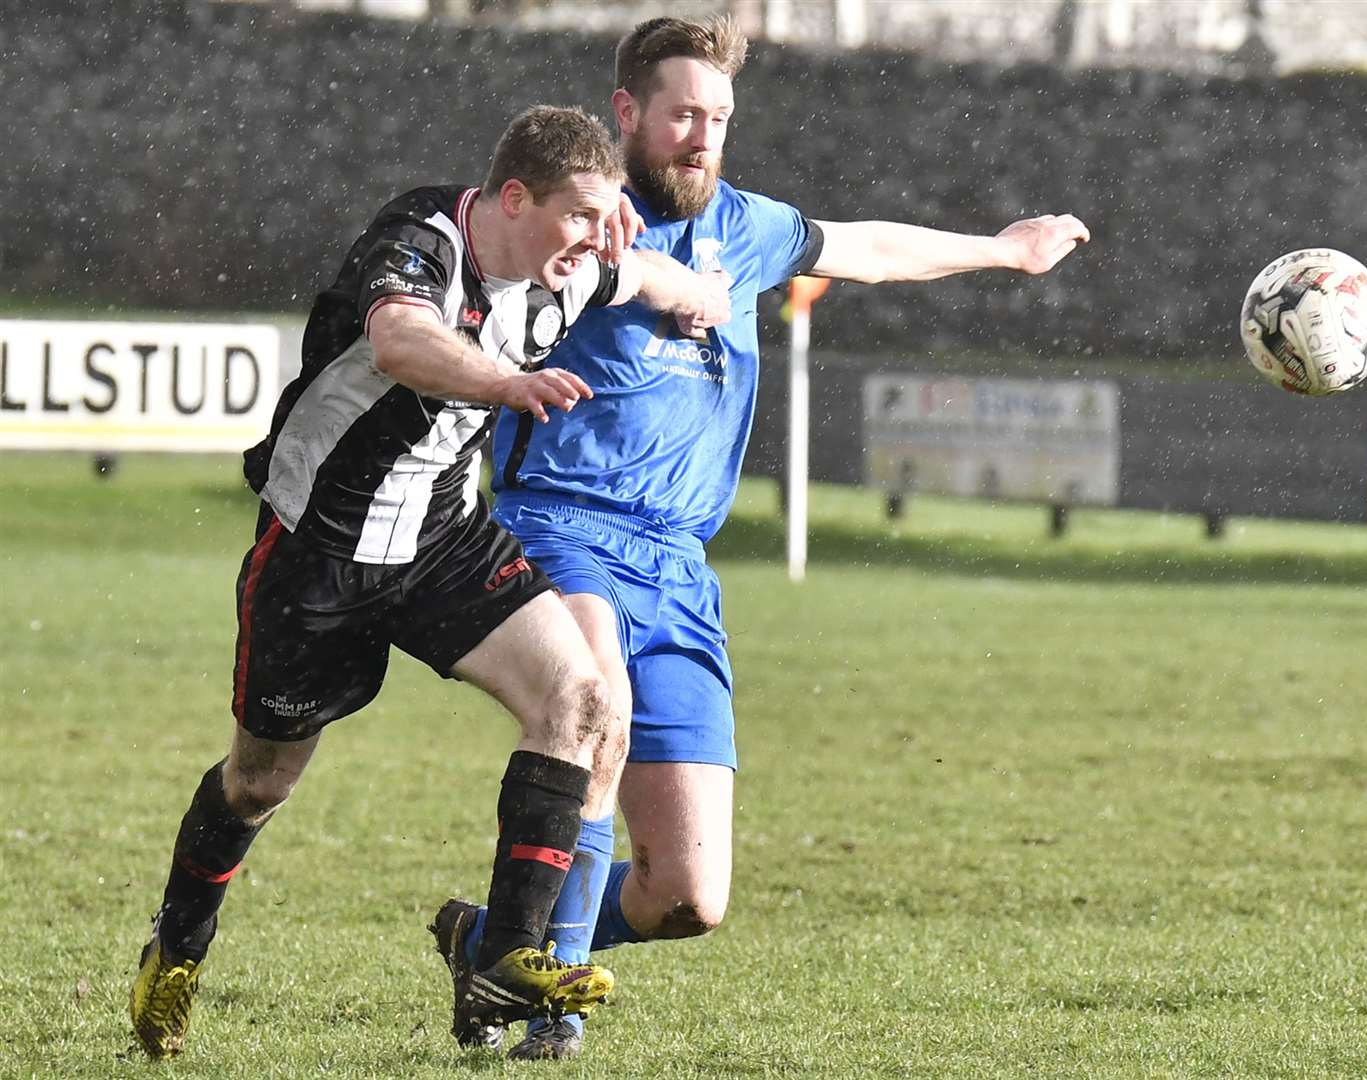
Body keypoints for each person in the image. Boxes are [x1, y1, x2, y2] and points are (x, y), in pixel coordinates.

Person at [431, 16, 1090, 1061]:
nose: (703, 136)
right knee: (592, 716)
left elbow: (866, 247)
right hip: (565, 524)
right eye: (684, 113)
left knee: (688, 897)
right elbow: (484, 268)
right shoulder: (579, 223)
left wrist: (1005, 252)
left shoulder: (748, 228)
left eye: (720, 118)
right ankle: (546, 1019)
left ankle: (490, 941)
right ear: (628, 113)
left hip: (681, 564)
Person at [127, 104, 733, 1060]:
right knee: (258, 781)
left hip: (445, 540)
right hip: (321, 556)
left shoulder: (575, 262)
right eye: (574, 216)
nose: (589, 241)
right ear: (515, 199)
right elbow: (403, 342)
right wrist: (506, 383)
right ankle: (179, 945)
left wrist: (694, 287)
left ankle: (506, 953)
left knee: (579, 700)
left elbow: (657, 279)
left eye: (600, 219)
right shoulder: (420, 240)